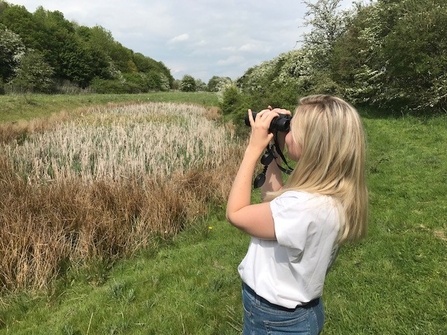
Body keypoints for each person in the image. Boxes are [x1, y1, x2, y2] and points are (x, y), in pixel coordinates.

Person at [226, 94, 368, 334]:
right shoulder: (328, 197)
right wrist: (275, 147)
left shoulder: (303, 206)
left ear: (312, 144)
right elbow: (275, 200)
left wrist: (253, 149)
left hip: (274, 318)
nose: (287, 132)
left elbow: (236, 213)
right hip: (298, 313)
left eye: (293, 129)